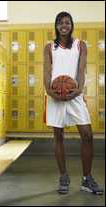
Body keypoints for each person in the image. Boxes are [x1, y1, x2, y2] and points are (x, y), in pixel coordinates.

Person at [43, 11, 103, 195]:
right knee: (58, 135)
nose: (64, 26)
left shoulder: (80, 45)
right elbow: (46, 71)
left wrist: (77, 90)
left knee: (87, 135)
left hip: (75, 94)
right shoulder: (49, 47)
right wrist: (49, 90)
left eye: (67, 22)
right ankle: (63, 176)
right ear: (56, 25)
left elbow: (81, 70)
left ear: (72, 25)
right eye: (60, 23)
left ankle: (86, 179)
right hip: (55, 95)